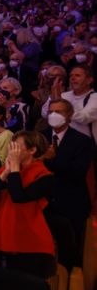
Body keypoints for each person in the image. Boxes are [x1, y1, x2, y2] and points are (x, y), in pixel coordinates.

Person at [0, 131, 56, 278]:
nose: (11, 151)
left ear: (32, 150)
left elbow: (18, 196)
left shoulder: (44, 176)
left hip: (27, 244)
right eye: (11, 146)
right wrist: (6, 173)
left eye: (16, 147)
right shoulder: (6, 171)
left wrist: (14, 168)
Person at [42, 98, 93, 259]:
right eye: (51, 112)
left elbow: (77, 173)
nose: (54, 115)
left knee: (70, 252)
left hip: (71, 203)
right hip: (43, 203)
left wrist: (51, 160)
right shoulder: (39, 137)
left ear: (69, 115)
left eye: (59, 111)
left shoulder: (82, 141)